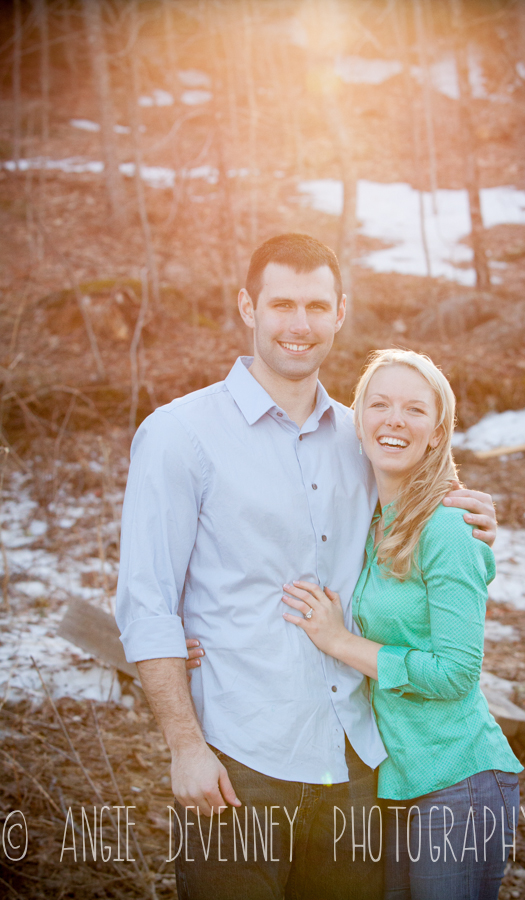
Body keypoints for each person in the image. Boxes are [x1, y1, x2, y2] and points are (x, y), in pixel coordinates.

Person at [115, 233, 497, 900]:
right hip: (240, 763)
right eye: (282, 304)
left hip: (356, 764)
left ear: (340, 313)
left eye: (317, 306)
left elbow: (423, 526)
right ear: (248, 307)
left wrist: (476, 515)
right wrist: (185, 746)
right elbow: (147, 604)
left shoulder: (363, 436)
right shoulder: (180, 435)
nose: (300, 324)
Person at [280, 348, 523, 900]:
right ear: (357, 420)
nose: (394, 420)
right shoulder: (370, 522)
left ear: (437, 433)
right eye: (380, 404)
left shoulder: (449, 527)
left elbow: (456, 673)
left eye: (415, 409)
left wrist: (340, 642)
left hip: (459, 780)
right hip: (396, 782)